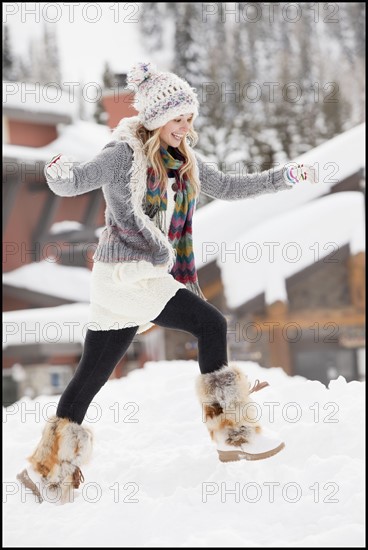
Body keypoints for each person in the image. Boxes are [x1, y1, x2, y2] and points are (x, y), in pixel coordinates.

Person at [17, 62, 315, 503]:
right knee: (210, 324)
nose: (185, 127)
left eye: (189, 118)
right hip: (128, 273)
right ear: (156, 119)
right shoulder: (123, 155)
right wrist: (59, 174)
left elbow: (228, 187)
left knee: (91, 376)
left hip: (129, 279)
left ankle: (47, 473)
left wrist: (281, 177)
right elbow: (78, 180)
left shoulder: (185, 161)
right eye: (178, 118)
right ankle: (232, 431)